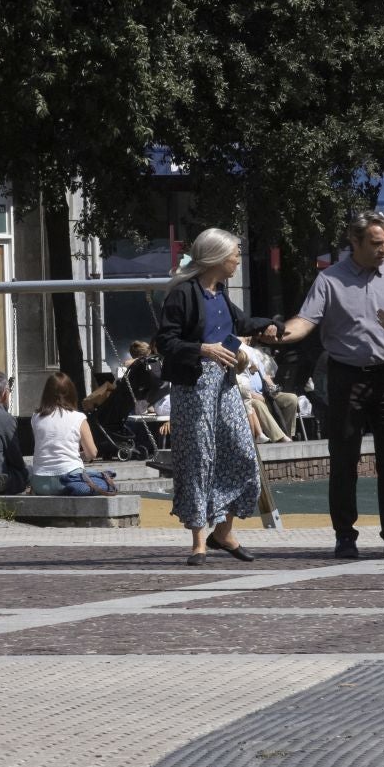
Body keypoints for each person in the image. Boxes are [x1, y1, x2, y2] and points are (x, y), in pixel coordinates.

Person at [274, 210, 384, 560]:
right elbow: (306, 321)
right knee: (343, 459)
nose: (383, 249)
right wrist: (278, 334)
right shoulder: (330, 280)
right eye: (375, 243)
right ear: (354, 243)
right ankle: (344, 535)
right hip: (346, 376)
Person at [154, 227, 277, 566]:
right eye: (235, 254)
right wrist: (203, 349)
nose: (239, 259)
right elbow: (165, 342)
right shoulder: (183, 294)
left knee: (241, 450)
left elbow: (242, 322)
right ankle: (198, 541)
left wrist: (267, 325)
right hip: (193, 385)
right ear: (219, 258)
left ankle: (223, 532)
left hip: (223, 383)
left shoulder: (219, 293)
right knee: (199, 456)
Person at [29, 373, 116, 496]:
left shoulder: (36, 417)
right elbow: (92, 453)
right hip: (69, 481)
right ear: (71, 393)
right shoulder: (78, 418)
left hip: (40, 483)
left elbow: (44, 446)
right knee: (100, 477)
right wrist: (79, 455)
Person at [237, 342, 300, 441]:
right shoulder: (239, 362)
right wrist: (253, 395)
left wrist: (273, 387)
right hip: (249, 397)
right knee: (258, 403)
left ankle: (287, 434)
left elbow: (265, 376)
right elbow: (240, 387)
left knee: (291, 398)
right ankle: (280, 438)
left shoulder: (255, 357)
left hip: (265, 393)